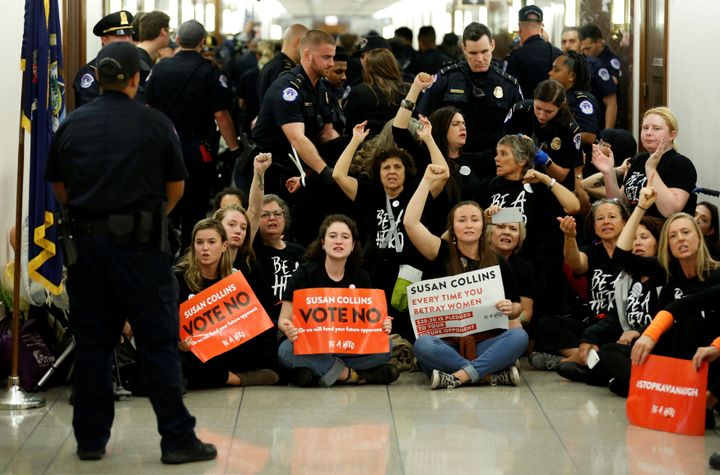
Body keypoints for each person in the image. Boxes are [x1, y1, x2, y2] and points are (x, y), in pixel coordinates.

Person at [45, 41, 215, 464]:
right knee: (157, 344)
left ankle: (90, 440)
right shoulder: (155, 124)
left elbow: (61, 190)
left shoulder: (70, 125)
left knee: (93, 345)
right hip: (142, 249)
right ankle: (177, 439)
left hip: (87, 250)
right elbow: (176, 187)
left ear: (98, 79)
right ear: (136, 79)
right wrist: (147, 217)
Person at [404, 164, 529, 389]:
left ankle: (458, 376)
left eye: (474, 219)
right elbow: (410, 223)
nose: (469, 225)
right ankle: (487, 374)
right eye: (462, 220)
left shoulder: (497, 260)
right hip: (448, 343)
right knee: (423, 346)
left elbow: (518, 306)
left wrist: (512, 309)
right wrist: (425, 181)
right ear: (452, 227)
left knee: (519, 337)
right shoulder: (441, 252)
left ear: (484, 226)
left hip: (485, 342)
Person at [145, 19, 241, 250]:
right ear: (201, 42)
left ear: (177, 40)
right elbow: (221, 115)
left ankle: (165, 251)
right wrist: (235, 148)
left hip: (163, 149)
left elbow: (146, 108)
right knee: (195, 207)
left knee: (166, 203)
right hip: (197, 149)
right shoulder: (210, 72)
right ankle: (190, 256)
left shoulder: (160, 67)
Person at [277, 214, 399, 387]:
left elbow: (370, 324)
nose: (339, 241)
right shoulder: (304, 273)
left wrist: (383, 324)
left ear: (353, 245)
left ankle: (319, 371)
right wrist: (288, 329)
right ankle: (353, 375)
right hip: (313, 346)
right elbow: (283, 320)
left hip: (346, 348)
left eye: (345, 237)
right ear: (323, 243)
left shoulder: (361, 277)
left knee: (387, 345)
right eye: (332, 236)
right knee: (286, 350)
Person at [555, 212, 664, 390]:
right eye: (634, 238)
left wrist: (639, 332)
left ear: (658, 243)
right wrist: (589, 337)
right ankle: (613, 377)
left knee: (608, 352)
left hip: (656, 343)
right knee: (607, 347)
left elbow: (668, 316)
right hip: (630, 345)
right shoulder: (626, 278)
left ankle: (607, 377)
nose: (637, 242)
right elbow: (615, 315)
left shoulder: (665, 276)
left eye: (644, 237)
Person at [175, 219, 279, 388]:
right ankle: (237, 379)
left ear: (224, 246)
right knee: (181, 359)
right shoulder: (178, 278)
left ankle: (211, 377)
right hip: (195, 351)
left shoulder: (234, 278)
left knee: (268, 343)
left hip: (227, 346)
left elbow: (251, 320)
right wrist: (180, 342)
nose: (205, 248)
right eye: (199, 242)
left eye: (211, 242)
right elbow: (168, 322)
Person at [530, 198, 628, 370]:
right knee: (547, 324)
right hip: (594, 324)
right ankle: (588, 359)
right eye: (600, 218)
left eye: (612, 217)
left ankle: (566, 362)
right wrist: (569, 237)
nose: (606, 221)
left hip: (621, 325)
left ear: (625, 222)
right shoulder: (592, 251)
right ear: (594, 227)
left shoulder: (635, 252)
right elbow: (576, 263)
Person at [252, 29, 339, 198]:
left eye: (332, 57)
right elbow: (297, 139)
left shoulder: (322, 87)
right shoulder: (287, 89)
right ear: (307, 55)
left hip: (299, 167)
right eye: (326, 57)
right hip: (269, 170)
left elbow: (327, 133)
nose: (331, 63)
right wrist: (325, 171)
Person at [416, 22, 522, 156]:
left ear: (492, 45)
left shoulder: (508, 85)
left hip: (494, 161)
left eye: (484, 51)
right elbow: (423, 119)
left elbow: (519, 131)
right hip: (453, 159)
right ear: (463, 48)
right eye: (473, 53)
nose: (480, 59)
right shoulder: (446, 79)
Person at [592, 106, 697, 218]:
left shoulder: (681, 164)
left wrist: (651, 169)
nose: (648, 133)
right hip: (633, 229)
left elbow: (670, 211)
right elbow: (621, 203)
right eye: (645, 128)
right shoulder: (638, 159)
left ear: (672, 135)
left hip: (660, 232)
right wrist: (608, 173)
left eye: (656, 128)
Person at [503, 78, 583, 193]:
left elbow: (561, 177)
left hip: (550, 186)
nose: (541, 115)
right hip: (515, 177)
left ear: (560, 106)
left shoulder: (569, 129)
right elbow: (500, 144)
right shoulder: (520, 110)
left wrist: (545, 161)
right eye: (538, 108)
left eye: (548, 111)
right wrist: (515, 144)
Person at [253, 194, 305, 323]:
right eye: (265, 215)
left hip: (301, 319)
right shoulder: (252, 253)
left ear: (285, 218)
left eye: (277, 214)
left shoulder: (300, 252)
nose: (272, 218)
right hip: (268, 323)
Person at [548, 51, 602, 164]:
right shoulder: (564, 98)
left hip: (581, 165)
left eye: (556, 70)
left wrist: (554, 135)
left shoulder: (580, 100)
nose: (550, 73)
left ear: (571, 76)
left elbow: (589, 136)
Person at [73, 11, 134, 108]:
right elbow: (90, 113)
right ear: (104, 40)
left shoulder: (135, 67)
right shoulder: (90, 72)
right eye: (120, 36)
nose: (127, 40)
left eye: (129, 35)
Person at [343, 48, 409, 138]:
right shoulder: (408, 90)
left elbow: (350, 126)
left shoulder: (358, 91)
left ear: (368, 68)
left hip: (367, 146)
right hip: (401, 145)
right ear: (393, 65)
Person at [561, 26, 618, 130]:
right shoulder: (558, 66)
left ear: (581, 43)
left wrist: (607, 134)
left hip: (591, 127)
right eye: (564, 42)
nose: (567, 45)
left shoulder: (595, 65)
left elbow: (611, 103)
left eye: (572, 41)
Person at [486, 220, 535, 330]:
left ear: (519, 239)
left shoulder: (524, 268)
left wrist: (515, 321)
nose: (507, 232)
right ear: (489, 234)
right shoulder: (474, 257)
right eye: (501, 226)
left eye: (513, 229)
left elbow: (526, 312)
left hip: (506, 328)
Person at [505, 5, 562, 99]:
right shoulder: (557, 53)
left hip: (523, 111)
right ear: (542, 27)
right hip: (551, 111)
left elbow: (508, 91)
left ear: (519, 28)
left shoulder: (515, 57)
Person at [579, 24, 622, 128]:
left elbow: (612, 84)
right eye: (583, 49)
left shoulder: (611, 60)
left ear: (599, 42)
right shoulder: (584, 59)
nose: (586, 52)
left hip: (603, 112)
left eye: (588, 48)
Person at [257, 24, 309, 102]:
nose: (309, 50)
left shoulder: (274, 65)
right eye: (307, 44)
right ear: (297, 42)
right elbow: (283, 107)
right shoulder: (283, 69)